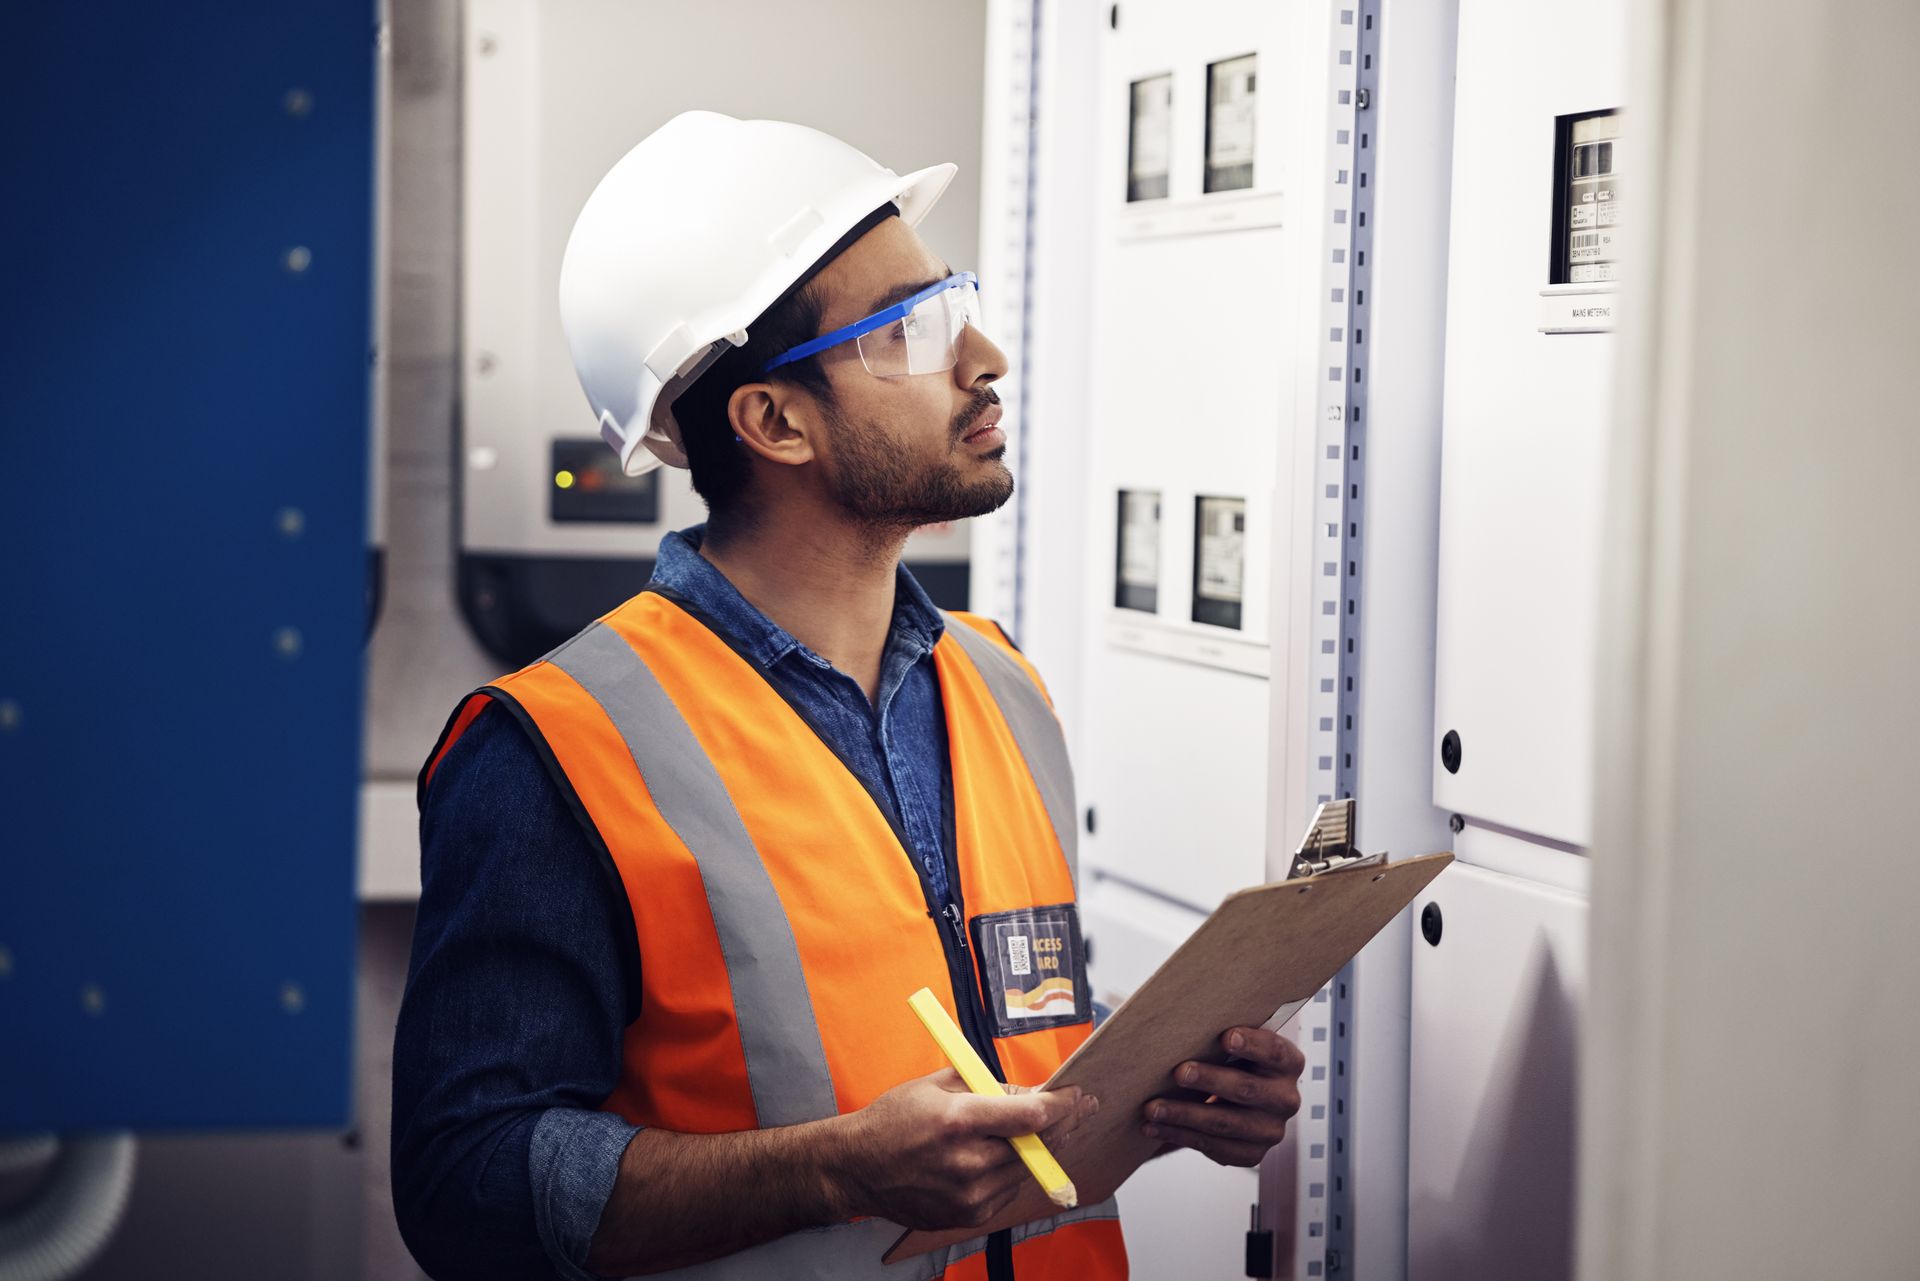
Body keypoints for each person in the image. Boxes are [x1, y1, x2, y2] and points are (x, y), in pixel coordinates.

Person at [390, 112, 1304, 1281]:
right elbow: (465, 1185)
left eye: (956, 303)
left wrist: (1168, 1094)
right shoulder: (555, 747)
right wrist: (831, 1172)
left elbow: (1001, 1046)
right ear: (774, 421)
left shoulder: (1000, 683)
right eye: (915, 330)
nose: (984, 358)